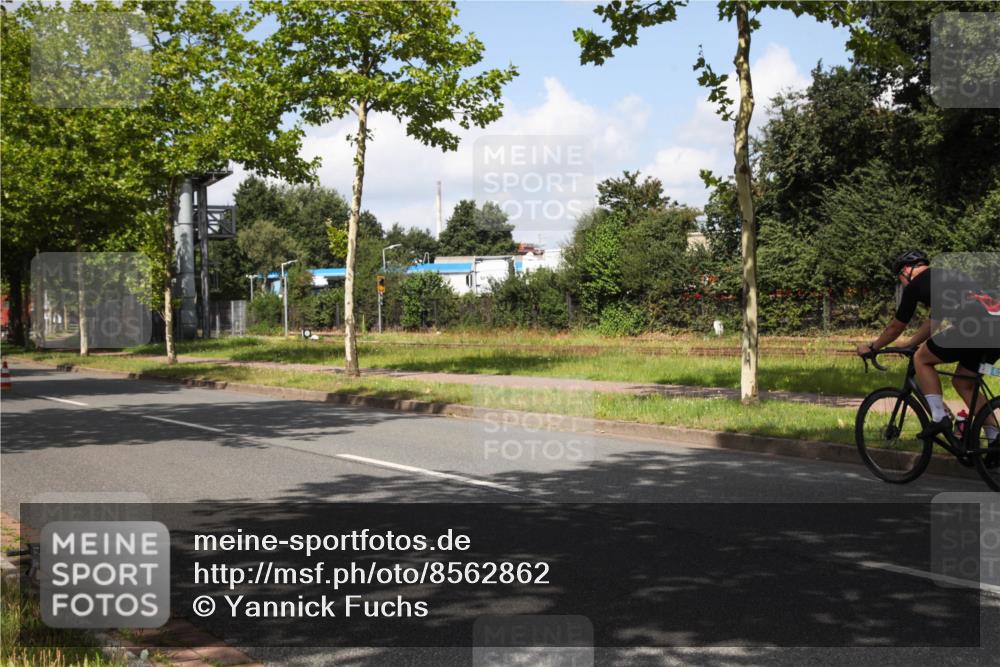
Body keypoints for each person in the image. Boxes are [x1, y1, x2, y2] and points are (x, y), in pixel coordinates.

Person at [856, 250, 999, 450]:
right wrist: (909, 343)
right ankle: (994, 438)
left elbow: (896, 327)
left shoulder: (916, 285)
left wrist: (872, 347)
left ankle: (939, 417)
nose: (902, 284)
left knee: (921, 359)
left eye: (900, 279)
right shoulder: (948, 276)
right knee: (963, 382)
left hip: (972, 328)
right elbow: (934, 322)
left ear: (906, 270)